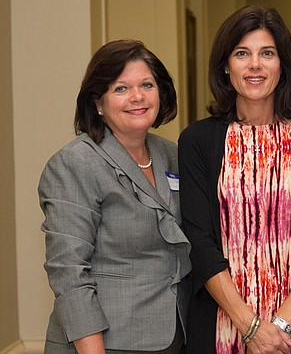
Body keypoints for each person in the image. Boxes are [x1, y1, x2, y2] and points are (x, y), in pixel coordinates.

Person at [179, 4, 291, 354]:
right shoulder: (197, 141)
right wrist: (250, 327)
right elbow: (200, 241)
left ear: (282, 65)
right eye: (242, 53)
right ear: (226, 65)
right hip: (221, 328)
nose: (255, 65)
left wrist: (277, 328)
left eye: (267, 53)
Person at [38, 40, 190, 353]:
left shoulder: (171, 155)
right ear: (97, 102)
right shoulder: (76, 163)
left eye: (146, 85)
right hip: (104, 342)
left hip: (172, 337)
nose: (137, 97)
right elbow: (69, 271)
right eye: (121, 88)